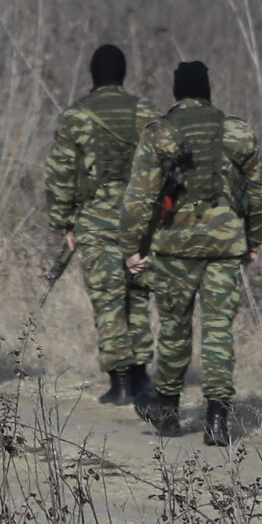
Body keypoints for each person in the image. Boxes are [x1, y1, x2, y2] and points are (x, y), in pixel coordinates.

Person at [119, 60, 262, 447]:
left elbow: (140, 197)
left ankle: (167, 411)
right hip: (224, 248)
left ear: (176, 92)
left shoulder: (159, 133)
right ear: (207, 91)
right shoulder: (237, 131)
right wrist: (254, 239)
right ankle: (216, 419)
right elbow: (257, 192)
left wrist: (132, 249)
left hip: (175, 247)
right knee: (219, 331)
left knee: (174, 328)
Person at [44, 45, 160, 407]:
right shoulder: (148, 113)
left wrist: (64, 221)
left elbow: (61, 173)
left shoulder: (75, 117)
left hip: (95, 221)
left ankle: (120, 382)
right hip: (141, 222)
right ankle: (142, 377)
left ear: (92, 76)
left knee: (109, 300)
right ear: (123, 75)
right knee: (138, 297)